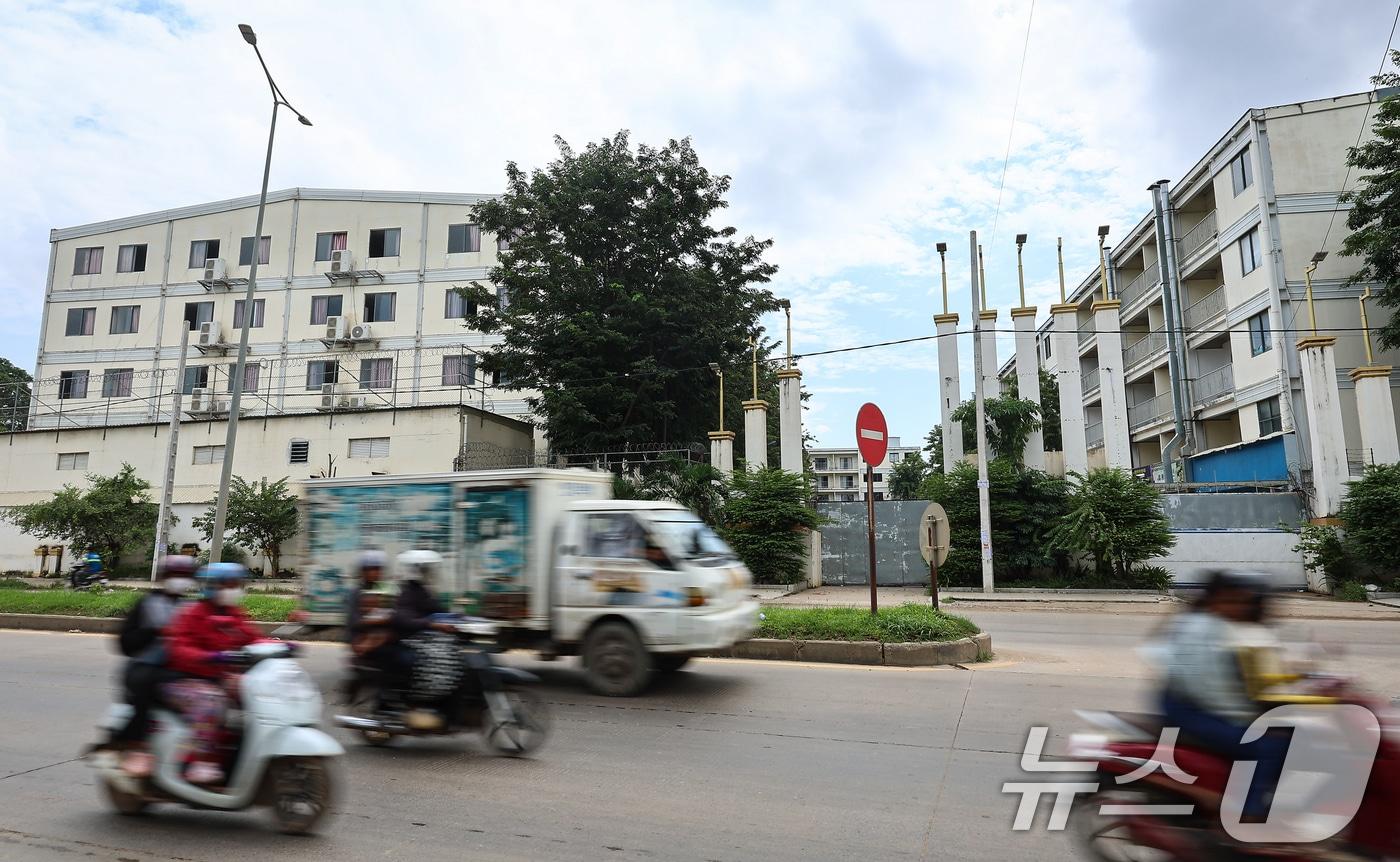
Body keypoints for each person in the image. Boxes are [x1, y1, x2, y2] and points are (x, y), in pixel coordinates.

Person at [1159, 570, 1290, 821]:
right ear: (1214, 599)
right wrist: (1253, 717)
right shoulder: (1204, 631)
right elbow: (1210, 690)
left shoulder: (1222, 626)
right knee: (1271, 745)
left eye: (1245, 602)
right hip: (1190, 709)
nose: (1240, 608)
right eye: (1232, 601)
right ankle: (1247, 817)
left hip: (1198, 704)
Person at [163, 562, 268, 786]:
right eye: (228, 585)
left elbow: (252, 637)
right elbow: (179, 648)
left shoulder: (233, 614)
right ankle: (199, 761)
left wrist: (281, 646)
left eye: (236, 584)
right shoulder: (192, 613)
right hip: (186, 680)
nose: (233, 589)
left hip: (218, 678)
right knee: (211, 702)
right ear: (212, 586)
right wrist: (209, 657)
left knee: (258, 696)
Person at [110, 555, 197, 777]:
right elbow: (125, 644)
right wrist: (156, 632)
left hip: (177, 670)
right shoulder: (147, 604)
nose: (180, 581)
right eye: (176, 575)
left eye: (185, 576)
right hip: (144, 668)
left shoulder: (191, 607)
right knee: (146, 692)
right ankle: (134, 745)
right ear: (164, 577)